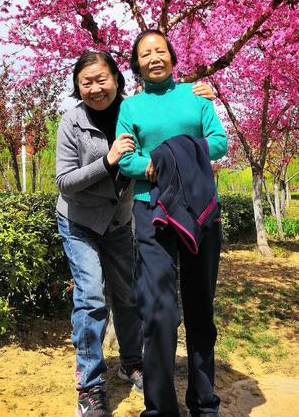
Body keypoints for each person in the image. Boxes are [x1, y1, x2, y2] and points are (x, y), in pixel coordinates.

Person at [56, 50, 215, 417]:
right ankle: (90, 385)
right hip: (79, 222)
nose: (95, 88)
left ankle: (131, 362)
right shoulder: (72, 122)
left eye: (102, 79)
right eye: (86, 82)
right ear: (78, 88)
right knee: (92, 298)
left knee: (129, 297)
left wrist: (197, 94)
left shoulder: (135, 109)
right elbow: (65, 183)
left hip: (119, 221)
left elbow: (170, 119)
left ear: (117, 79)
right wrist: (107, 160)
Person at [116, 30, 228, 417]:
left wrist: (168, 158)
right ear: (137, 64)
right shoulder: (130, 107)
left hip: (199, 211)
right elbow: (125, 157)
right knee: (159, 311)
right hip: (152, 213)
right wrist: (150, 165)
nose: (154, 58)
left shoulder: (195, 97)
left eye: (160, 50)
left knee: (201, 308)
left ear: (172, 57)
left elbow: (218, 142)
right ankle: (161, 408)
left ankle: (205, 402)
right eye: (145, 54)